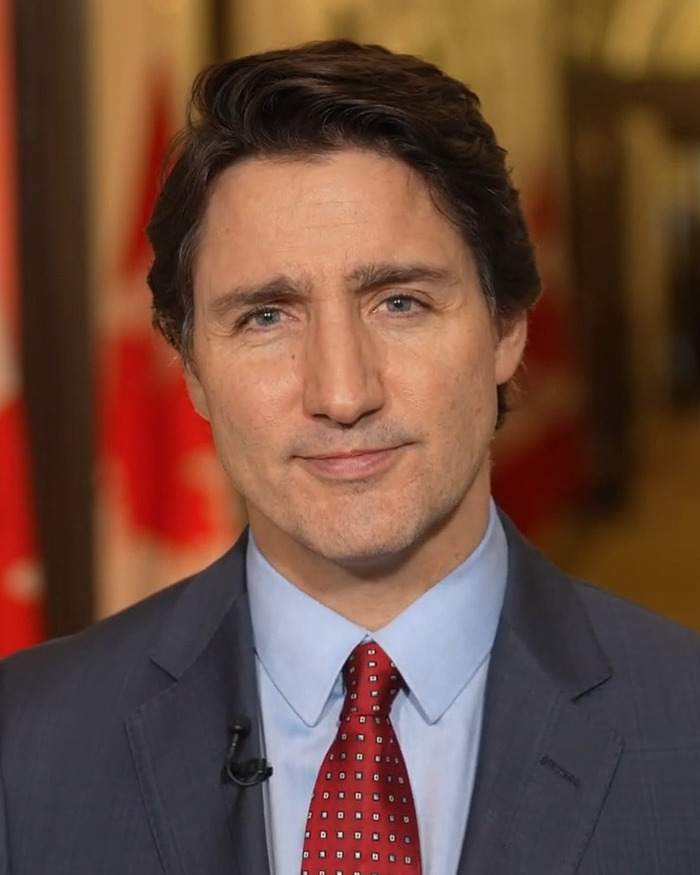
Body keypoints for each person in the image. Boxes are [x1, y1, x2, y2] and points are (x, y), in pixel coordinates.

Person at [1, 39, 699, 875]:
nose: (341, 392)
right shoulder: (25, 746)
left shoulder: (684, 727)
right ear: (190, 368)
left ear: (507, 328)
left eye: (399, 301)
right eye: (266, 316)